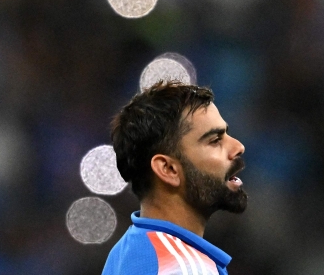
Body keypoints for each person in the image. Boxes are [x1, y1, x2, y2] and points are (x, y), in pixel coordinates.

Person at [101, 81, 247, 275]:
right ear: (168, 169)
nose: (238, 147)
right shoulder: (187, 269)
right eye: (215, 140)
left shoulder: (123, 254)